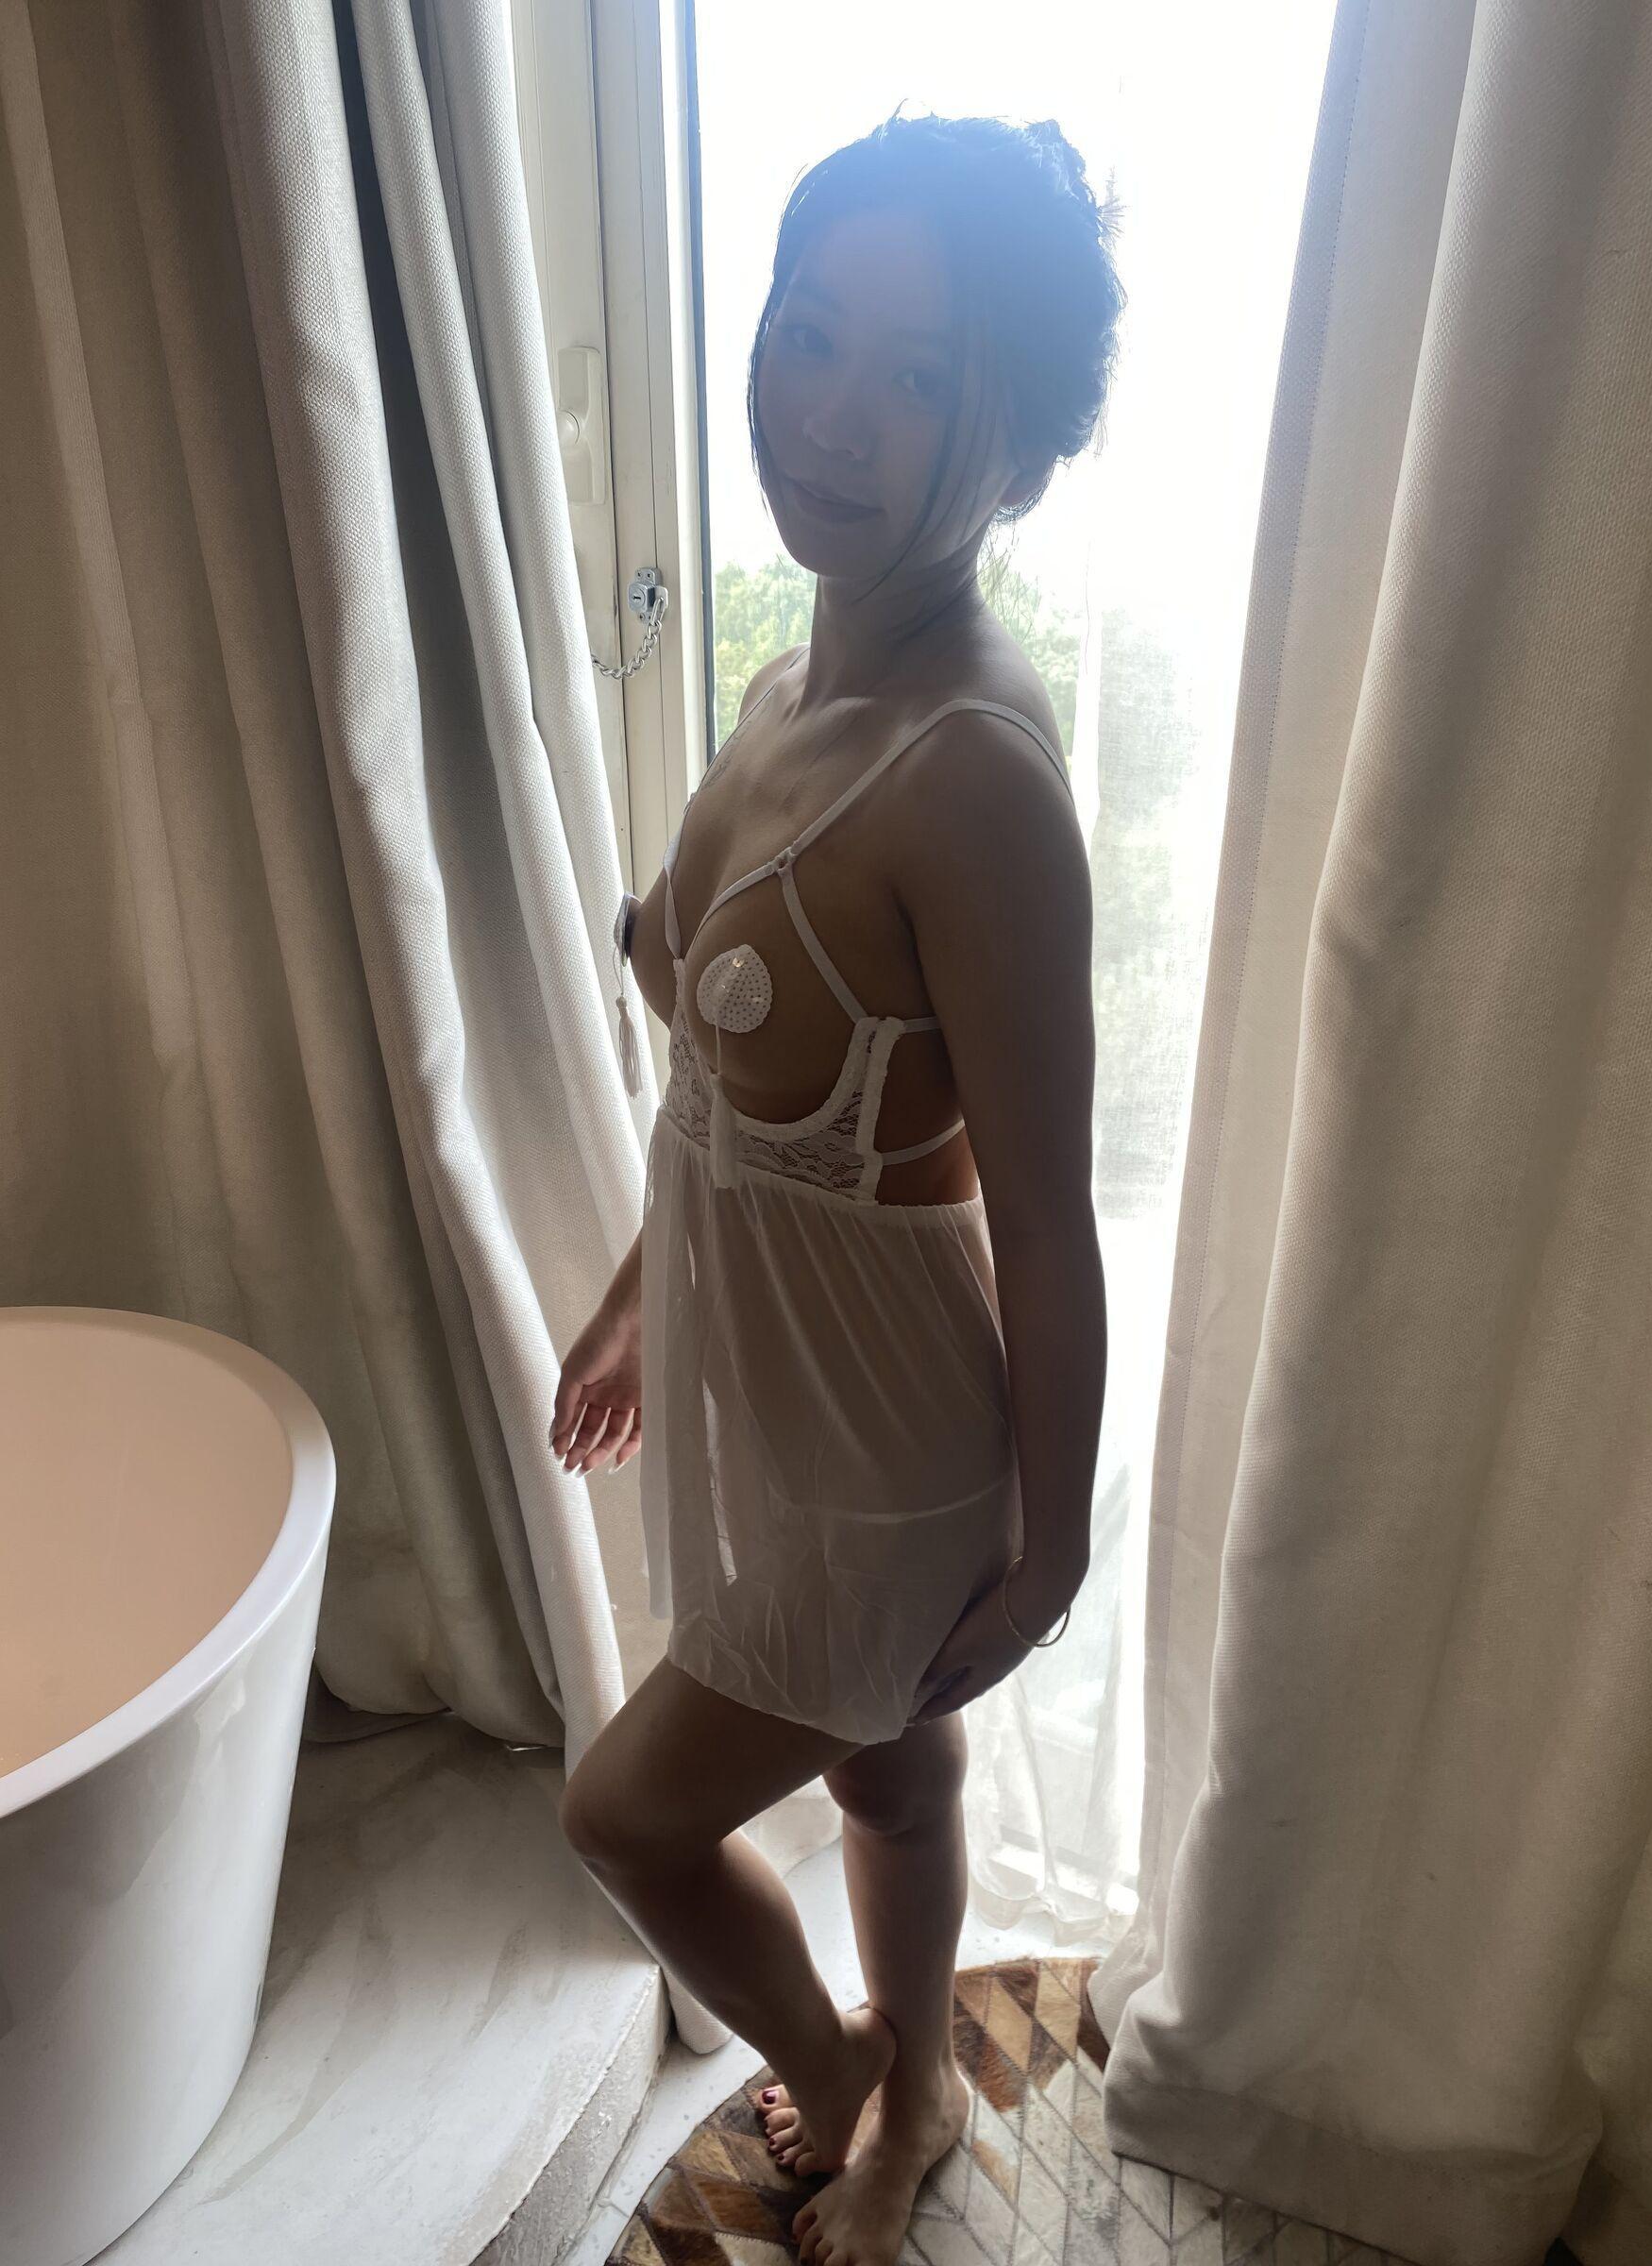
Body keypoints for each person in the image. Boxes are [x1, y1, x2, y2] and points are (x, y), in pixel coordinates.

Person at [549, 110, 1118, 2266]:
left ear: (1021, 445)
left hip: (892, 1452)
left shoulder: (974, 783)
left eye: (916, 375)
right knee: (889, 1776)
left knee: (626, 1813)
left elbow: (1045, 1216)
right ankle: (918, 2090)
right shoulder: (795, 684)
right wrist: (639, 1296)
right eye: (809, 335)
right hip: (772, 1388)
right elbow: (730, 1097)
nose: (833, 414)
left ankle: (860, 2072)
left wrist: (1050, 1543)